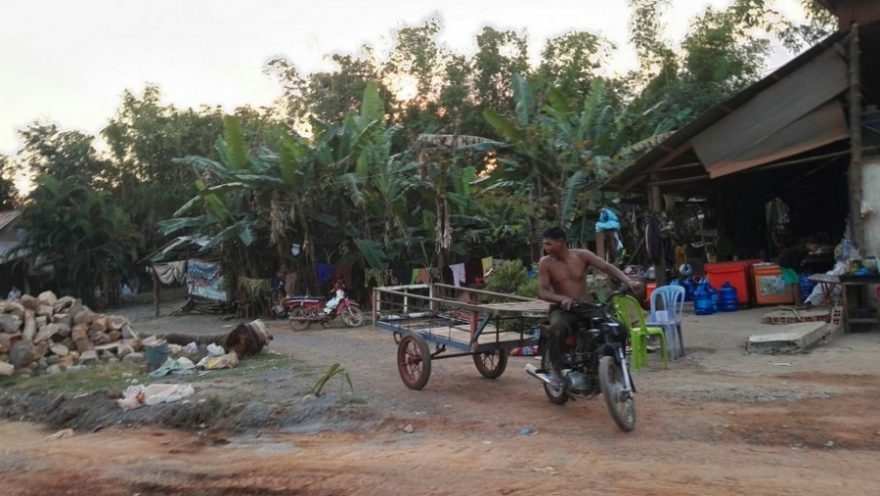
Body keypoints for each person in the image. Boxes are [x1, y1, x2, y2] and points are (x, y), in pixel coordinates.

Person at [537, 226, 640, 389]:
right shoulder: (546, 263)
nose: (546, 248)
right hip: (563, 309)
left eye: (549, 244)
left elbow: (606, 267)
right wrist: (561, 298)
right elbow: (542, 292)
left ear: (560, 242)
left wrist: (628, 281)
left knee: (618, 328)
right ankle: (556, 371)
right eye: (545, 244)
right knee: (557, 329)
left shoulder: (582, 255)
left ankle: (616, 364)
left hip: (586, 306)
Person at [778, 236, 819, 308]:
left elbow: (799, 262)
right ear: (808, 244)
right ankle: (798, 304)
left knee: (795, 282)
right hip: (787, 264)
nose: (816, 249)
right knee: (796, 282)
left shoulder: (804, 250)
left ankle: (797, 302)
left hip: (788, 264)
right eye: (815, 247)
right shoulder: (801, 250)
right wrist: (797, 271)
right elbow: (795, 262)